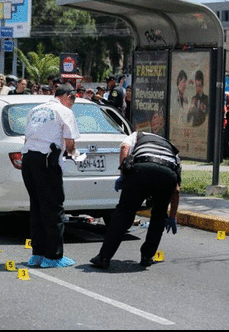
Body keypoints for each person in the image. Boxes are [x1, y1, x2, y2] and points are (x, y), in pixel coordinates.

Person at [90, 131, 181, 270]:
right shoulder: (172, 150)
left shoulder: (137, 135)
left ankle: (104, 257)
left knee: (123, 213)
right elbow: (176, 190)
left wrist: (123, 174)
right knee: (158, 216)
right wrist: (172, 216)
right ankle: (147, 257)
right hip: (167, 174)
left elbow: (124, 148)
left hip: (142, 169)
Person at [21, 83, 80, 268]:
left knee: (37, 207)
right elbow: (70, 142)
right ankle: (53, 257)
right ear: (68, 96)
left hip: (28, 159)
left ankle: (37, 254)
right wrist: (74, 154)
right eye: (73, 101)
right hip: (47, 160)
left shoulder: (36, 109)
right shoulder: (64, 111)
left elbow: (27, 137)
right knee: (54, 209)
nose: (72, 105)